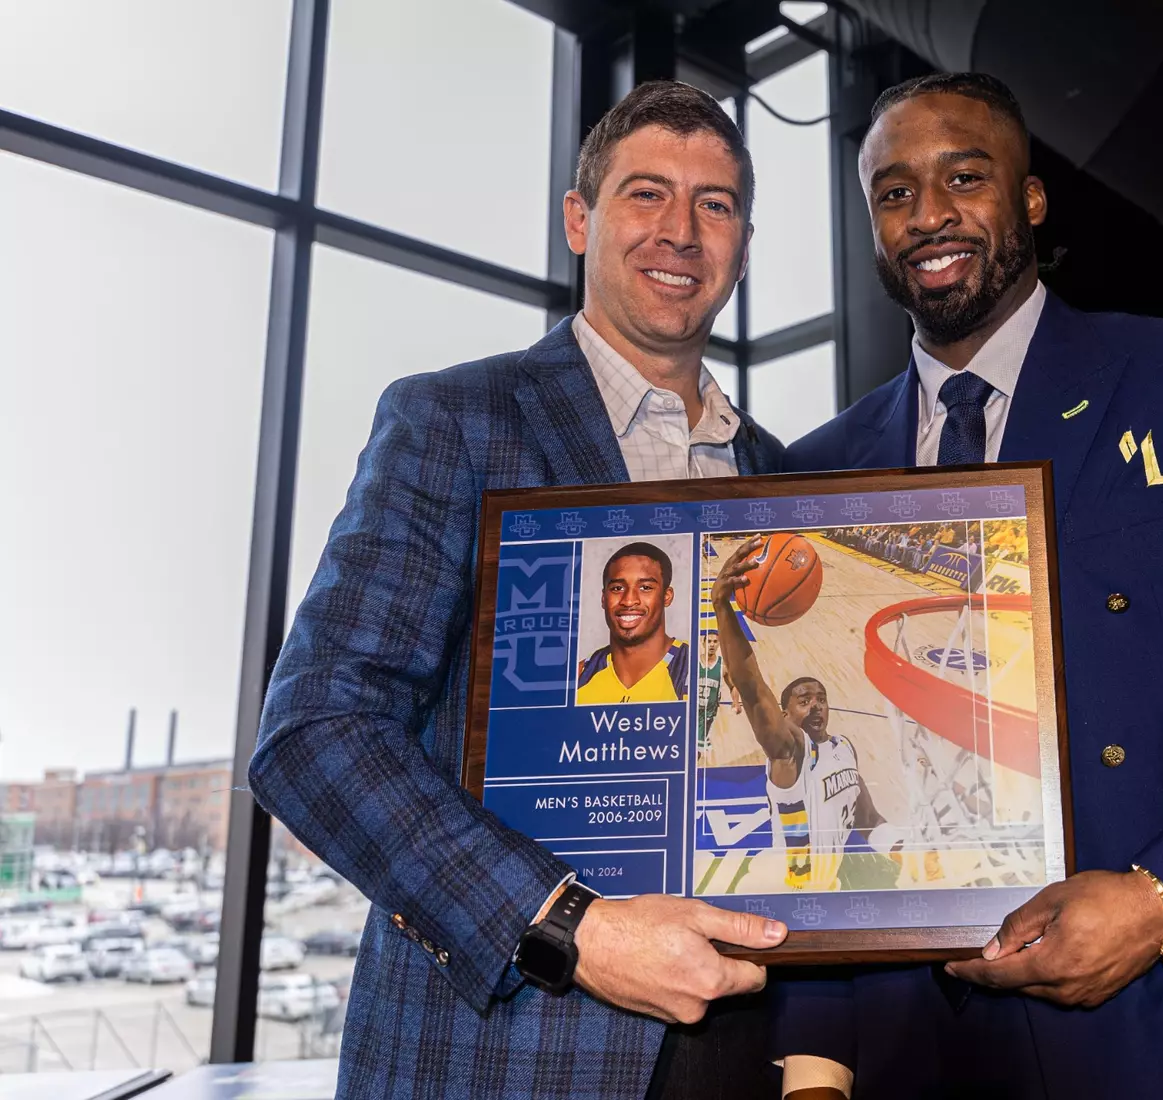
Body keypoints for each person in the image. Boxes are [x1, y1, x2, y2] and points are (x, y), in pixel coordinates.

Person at [772, 73, 1163, 1100]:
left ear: (1030, 198)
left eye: (964, 177)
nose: (928, 214)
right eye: (895, 193)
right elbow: (822, 828)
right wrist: (816, 1069)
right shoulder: (815, 473)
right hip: (940, 1059)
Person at [250, 81, 790, 1100]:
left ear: (743, 246)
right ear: (579, 219)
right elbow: (316, 731)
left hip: (739, 1047)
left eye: (713, 204)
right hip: (506, 1053)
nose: (680, 229)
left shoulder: (784, 478)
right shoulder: (456, 421)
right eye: (646, 193)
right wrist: (569, 927)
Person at [710, 537, 891, 891]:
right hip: (791, 890)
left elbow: (869, 819)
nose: (816, 705)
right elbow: (752, 688)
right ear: (785, 714)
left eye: (821, 698)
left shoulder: (844, 748)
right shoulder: (790, 751)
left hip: (829, 889)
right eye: (804, 700)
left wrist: (911, 853)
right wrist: (721, 607)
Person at [576, 542, 690, 705]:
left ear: (667, 596)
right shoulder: (579, 676)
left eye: (645, 587)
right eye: (617, 588)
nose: (629, 600)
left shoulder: (693, 668)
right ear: (603, 598)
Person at [696, 628, 743, 754]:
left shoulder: (723, 665)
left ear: (719, 644)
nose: (712, 644)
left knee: (697, 749)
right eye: (709, 641)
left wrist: (736, 702)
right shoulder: (694, 662)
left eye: (715, 642)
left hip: (708, 713)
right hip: (692, 710)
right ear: (703, 643)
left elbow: (733, 686)